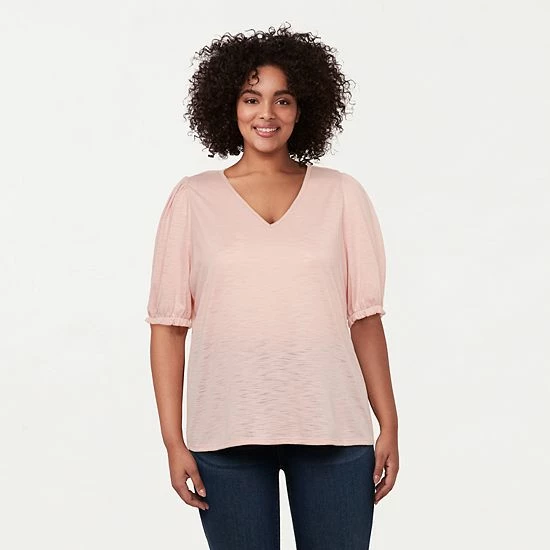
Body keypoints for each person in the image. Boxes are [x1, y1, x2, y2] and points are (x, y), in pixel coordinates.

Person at [145, 23, 399, 550]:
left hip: (333, 427)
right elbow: (168, 327)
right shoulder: (192, 199)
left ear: (302, 109)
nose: (267, 114)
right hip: (225, 430)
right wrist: (173, 441)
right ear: (229, 107)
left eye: (282, 99)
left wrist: (389, 423)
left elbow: (365, 318)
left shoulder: (341, 194)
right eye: (251, 98)